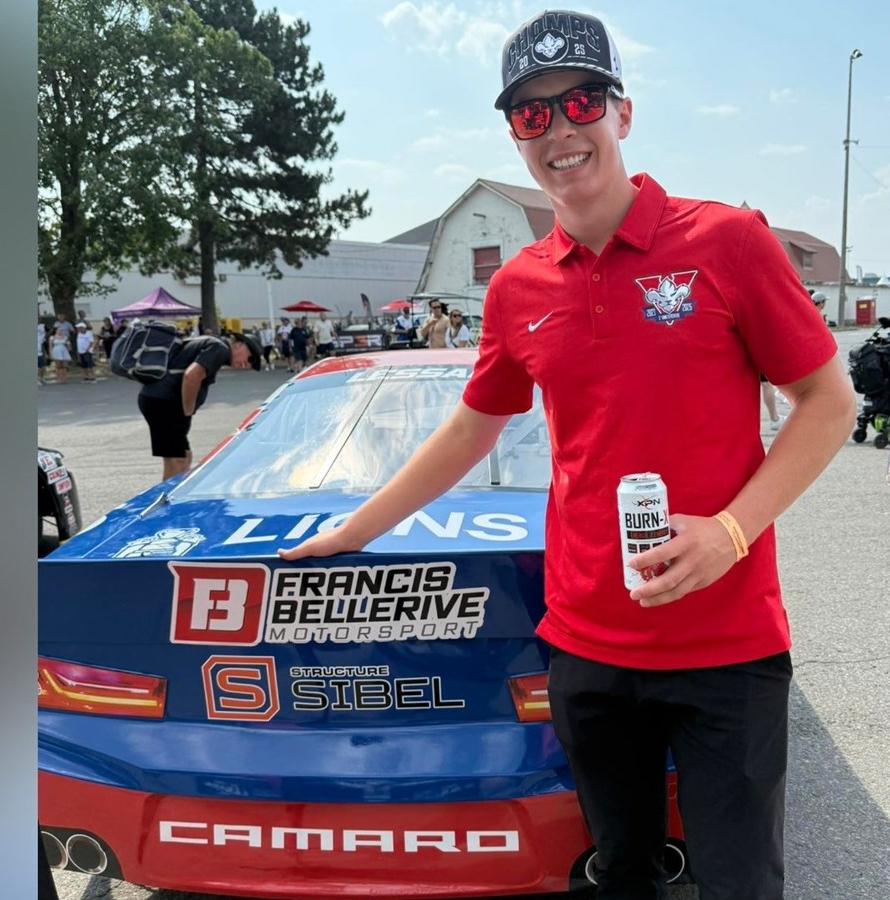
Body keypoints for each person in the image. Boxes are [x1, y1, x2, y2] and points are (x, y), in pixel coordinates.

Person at [279, 10, 856, 900]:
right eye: (531, 115)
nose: (560, 129)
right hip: (588, 643)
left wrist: (732, 533)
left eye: (581, 100)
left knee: (741, 882)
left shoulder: (727, 241)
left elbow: (828, 405)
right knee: (619, 871)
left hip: (727, 645)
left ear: (623, 114)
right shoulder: (516, 287)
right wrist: (346, 534)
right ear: (515, 136)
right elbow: (470, 427)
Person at [136, 332, 229, 480]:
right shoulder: (220, 349)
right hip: (165, 403)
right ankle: (167, 500)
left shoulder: (205, 342)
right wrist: (187, 410)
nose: (248, 364)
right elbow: (191, 375)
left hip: (157, 399)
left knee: (182, 457)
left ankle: (171, 497)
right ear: (238, 345)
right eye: (250, 358)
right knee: (178, 460)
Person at [49, 317, 73, 383]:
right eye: (59, 330)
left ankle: (64, 378)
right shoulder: (52, 337)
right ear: (56, 330)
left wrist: (69, 345)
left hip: (64, 350)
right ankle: (59, 378)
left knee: (64, 366)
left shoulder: (65, 337)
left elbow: (68, 346)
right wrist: (51, 354)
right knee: (58, 366)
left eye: (61, 330)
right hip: (56, 351)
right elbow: (50, 346)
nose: (60, 331)